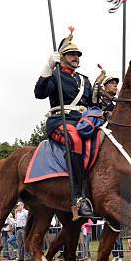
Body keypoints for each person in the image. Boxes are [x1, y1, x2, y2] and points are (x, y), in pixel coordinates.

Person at [34, 27, 93, 219]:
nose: (76, 57)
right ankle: (78, 197)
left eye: (77, 54)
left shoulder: (85, 80)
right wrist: (48, 67)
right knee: (75, 140)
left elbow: (92, 104)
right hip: (60, 121)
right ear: (62, 56)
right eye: (71, 54)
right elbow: (39, 93)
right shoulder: (55, 75)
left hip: (83, 121)